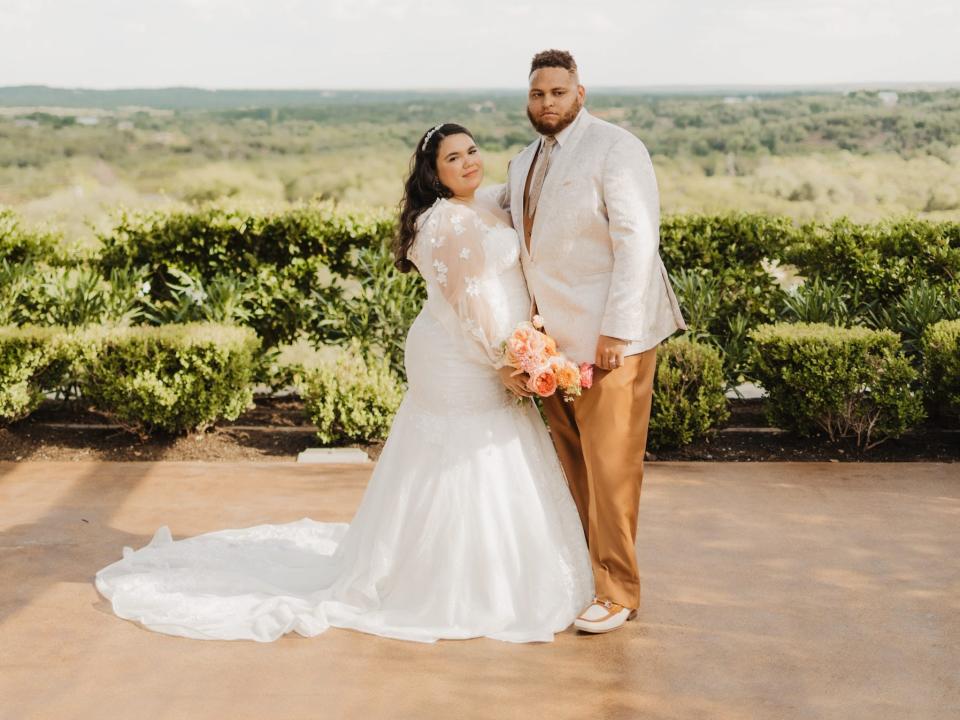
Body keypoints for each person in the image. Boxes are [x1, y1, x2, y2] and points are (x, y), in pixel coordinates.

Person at [93, 123, 594, 644]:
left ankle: (505, 568)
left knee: (501, 445)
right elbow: (465, 301)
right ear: (434, 174)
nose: (469, 162)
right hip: (461, 353)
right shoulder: (440, 221)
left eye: (472, 151)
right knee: (460, 449)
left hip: (504, 346)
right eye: (453, 159)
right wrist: (504, 358)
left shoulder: (491, 201)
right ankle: (440, 581)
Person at [498, 50, 687, 633]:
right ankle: (586, 577)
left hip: (611, 339)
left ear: (580, 92)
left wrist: (617, 331)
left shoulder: (617, 148)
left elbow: (637, 242)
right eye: (537, 94)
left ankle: (619, 591)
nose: (546, 102)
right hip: (550, 347)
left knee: (611, 470)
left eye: (557, 92)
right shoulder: (522, 161)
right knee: (572, 467)